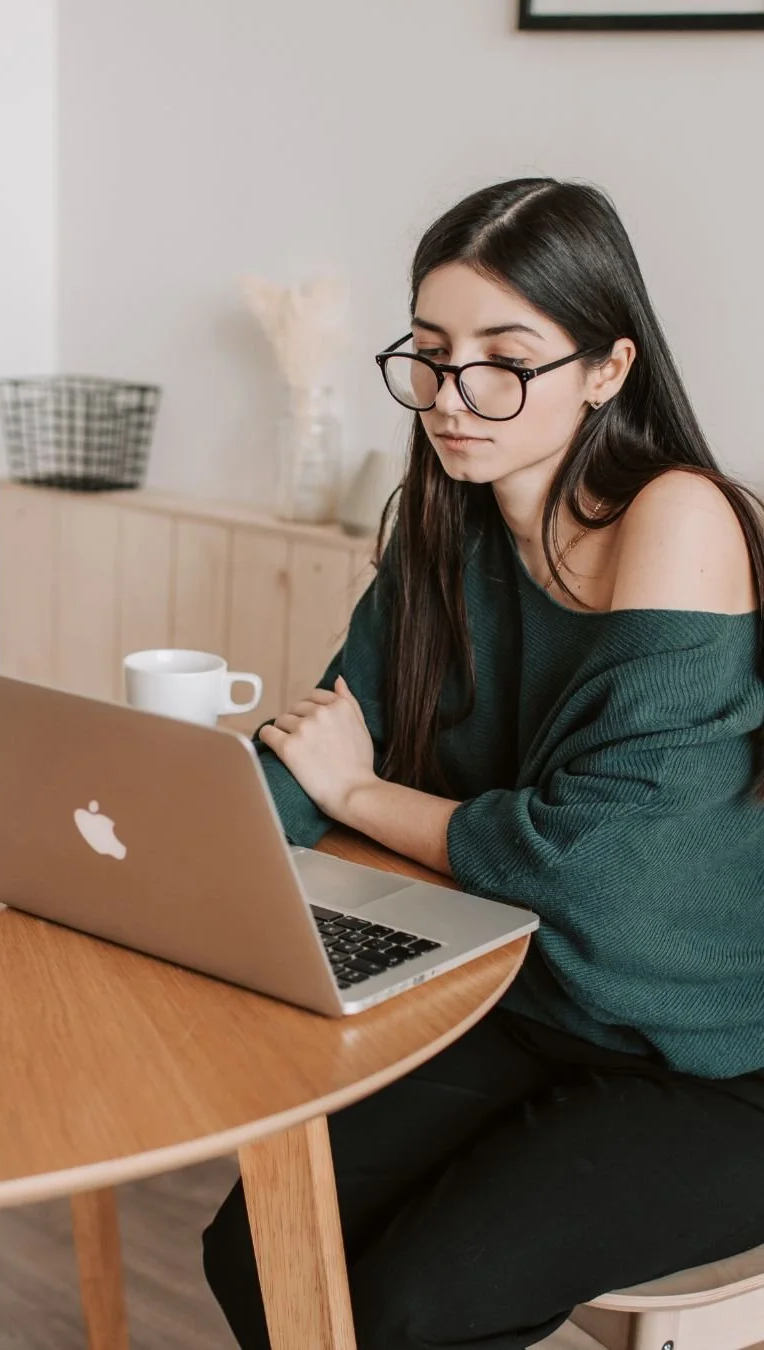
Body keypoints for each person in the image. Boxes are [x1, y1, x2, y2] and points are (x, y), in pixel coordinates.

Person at [201, 177, 764, 1350]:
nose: (453, 399)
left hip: (714, 1059)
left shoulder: (678, 517)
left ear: (608, 369)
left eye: (504, 360)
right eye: (429, 354)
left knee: (410, 1307)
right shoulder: (442, 530)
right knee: (257, 1247)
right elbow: (312, 749)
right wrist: (171, 851)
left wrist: (363, 794)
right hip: (529, 999)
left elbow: (592, 869)